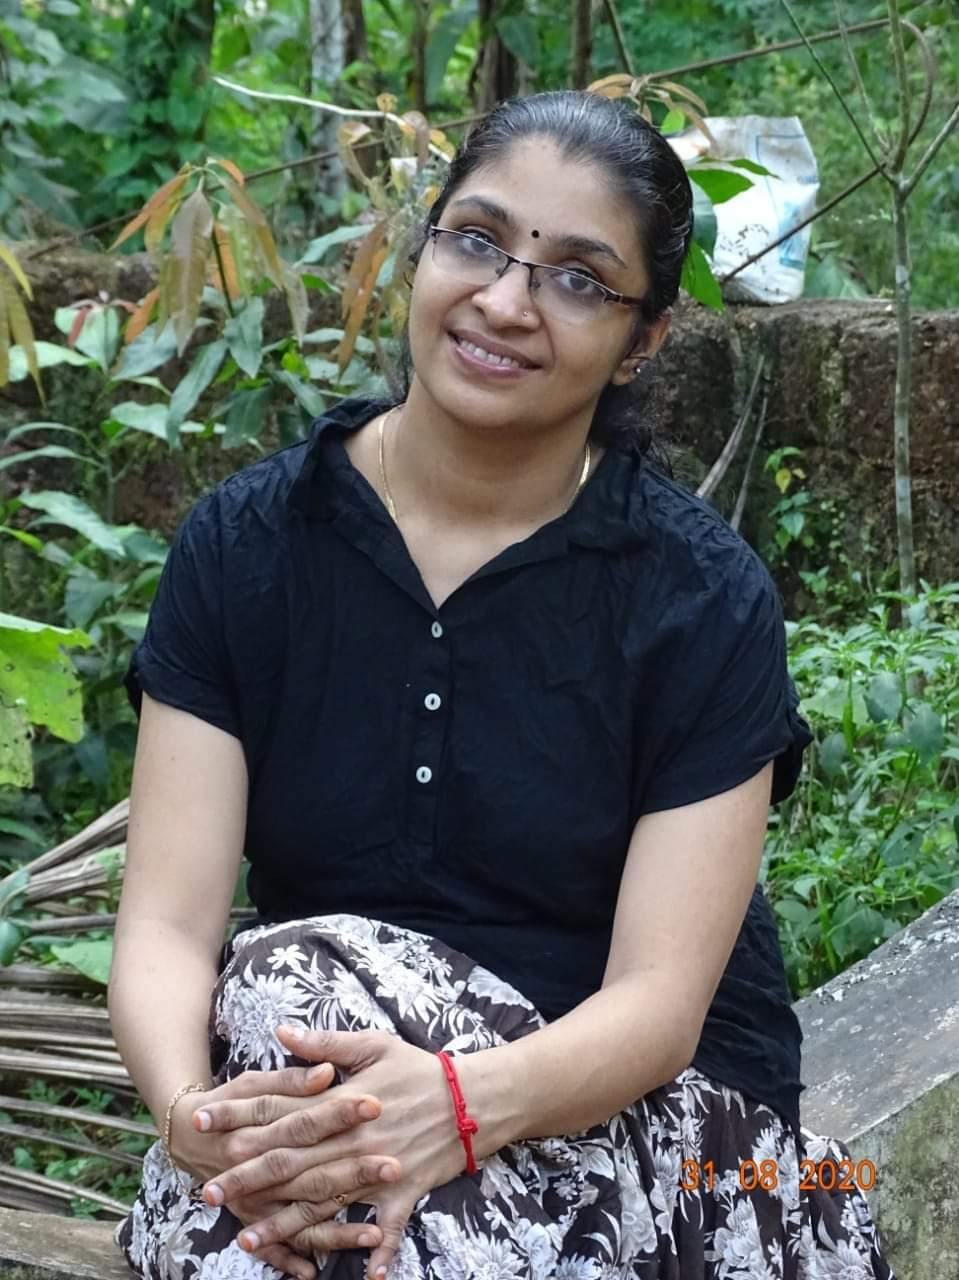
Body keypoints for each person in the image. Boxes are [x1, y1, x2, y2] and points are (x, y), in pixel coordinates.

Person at [109, 90, 895, 1280]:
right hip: (338, 1103)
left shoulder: (696, 599)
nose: (505, 300)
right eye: (475, 239)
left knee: (284, 998)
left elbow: (657, 1003)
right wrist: (192, 1120)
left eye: (577, 277)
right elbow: (168, 927)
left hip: (658, 1131)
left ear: (644, 337)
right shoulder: (246, 550)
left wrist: (456, 1108)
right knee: (289, 1049)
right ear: (422, 248)